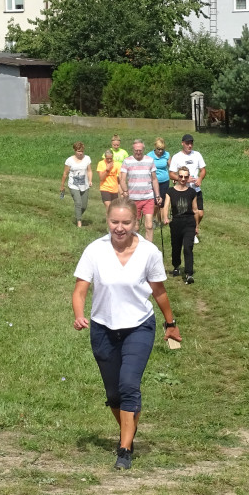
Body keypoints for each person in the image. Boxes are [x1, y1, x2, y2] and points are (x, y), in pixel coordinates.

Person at [72, 200, 182, 470]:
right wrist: (78, 314)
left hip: (138, 326)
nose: (119, 228)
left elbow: (159, 291)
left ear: (136, 223)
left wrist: (171, 323)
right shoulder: (95, 250)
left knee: (129, 385)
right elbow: (80, 289)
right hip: (102, 328)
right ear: (107, 221)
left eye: (126, 223)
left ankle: (124, 449)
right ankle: (128, 434)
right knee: (113, 393)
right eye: (114, 222)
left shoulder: (149, 252)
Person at [161, 166, 200, 285]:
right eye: (181, 176)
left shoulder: (192, 192)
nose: (183, 179)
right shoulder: (170, 191)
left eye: (186, 176)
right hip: (176, 222)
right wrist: (165, 218)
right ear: (178, 177)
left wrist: (196, 226)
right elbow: (166, 206)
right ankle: (176, 266)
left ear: (188, 178)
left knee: (188, 247)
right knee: (176, 247)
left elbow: (195, 210)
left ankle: (189, 274)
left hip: (189, 222)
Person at [119, 139, 161, 241]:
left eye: (140, 150)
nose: (138, 152)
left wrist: (158, 195)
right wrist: (125, 191)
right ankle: (135, 245)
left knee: (149, 225)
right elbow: (122, 179)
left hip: (148, 197)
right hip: (133, 198)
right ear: (133, 149)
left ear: (143, 149)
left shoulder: (149, 160)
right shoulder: (127, 161)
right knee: (135, 226)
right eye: (136, 150)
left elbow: (154, 179)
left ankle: (149, 248)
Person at [169, 133, 207, 239]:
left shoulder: (197, 155)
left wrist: (200, 178)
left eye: (191, 143)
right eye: (187, 143)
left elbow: (203, 170)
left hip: (195, 189)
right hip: (183, 190)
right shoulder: (177, 157)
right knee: (186, 214)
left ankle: (195, 227)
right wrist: (183, 179)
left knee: (200, 213)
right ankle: (190, 233)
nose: (189, 146)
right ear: (182, 144)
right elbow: (171, 173)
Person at [60, 142, 92, 228]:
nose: (80, 153)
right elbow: (65, 174)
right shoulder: (69, 160)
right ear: (75, 150)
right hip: (73, 185)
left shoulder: (87, 159)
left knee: (84, 206)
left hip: (84, 185)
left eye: (82, 151)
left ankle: (78, 215)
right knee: (78, 203)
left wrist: (90, 180)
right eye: (78, 151)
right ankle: (79, 223)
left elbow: (89, 171)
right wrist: (62, 185)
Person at [150, 138, 171, 202]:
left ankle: (162, 212)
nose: (160, 151)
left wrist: (174, 177)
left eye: (162, 149)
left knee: (163, 202)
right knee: (155, 202)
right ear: (155, 147)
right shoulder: (149, 156)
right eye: (158, 149)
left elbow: (171, 167)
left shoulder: (166, 154)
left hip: (165, 181)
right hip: (153, 182)